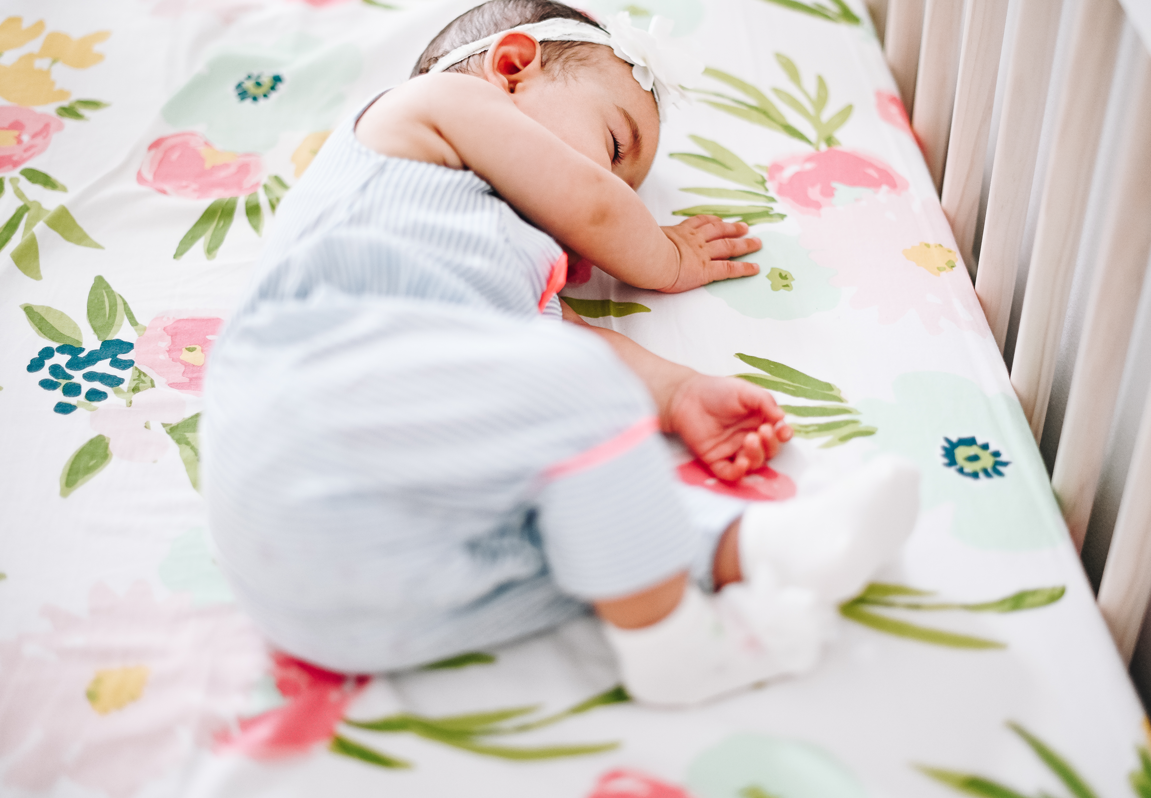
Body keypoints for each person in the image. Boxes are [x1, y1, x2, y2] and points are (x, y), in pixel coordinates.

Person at [202, 0, 919, 707]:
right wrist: (663, 254)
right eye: (613, 150)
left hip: (355, 599)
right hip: (304, 420)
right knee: (573, 386)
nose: (614, 197)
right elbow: (592, 209)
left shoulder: (514, 267)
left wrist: (676, 393)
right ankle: (674, 650)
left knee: (581, 519)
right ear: (513, 68)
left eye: (629, 185)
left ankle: (761, 548)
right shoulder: (426, 111)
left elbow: (565, 349)